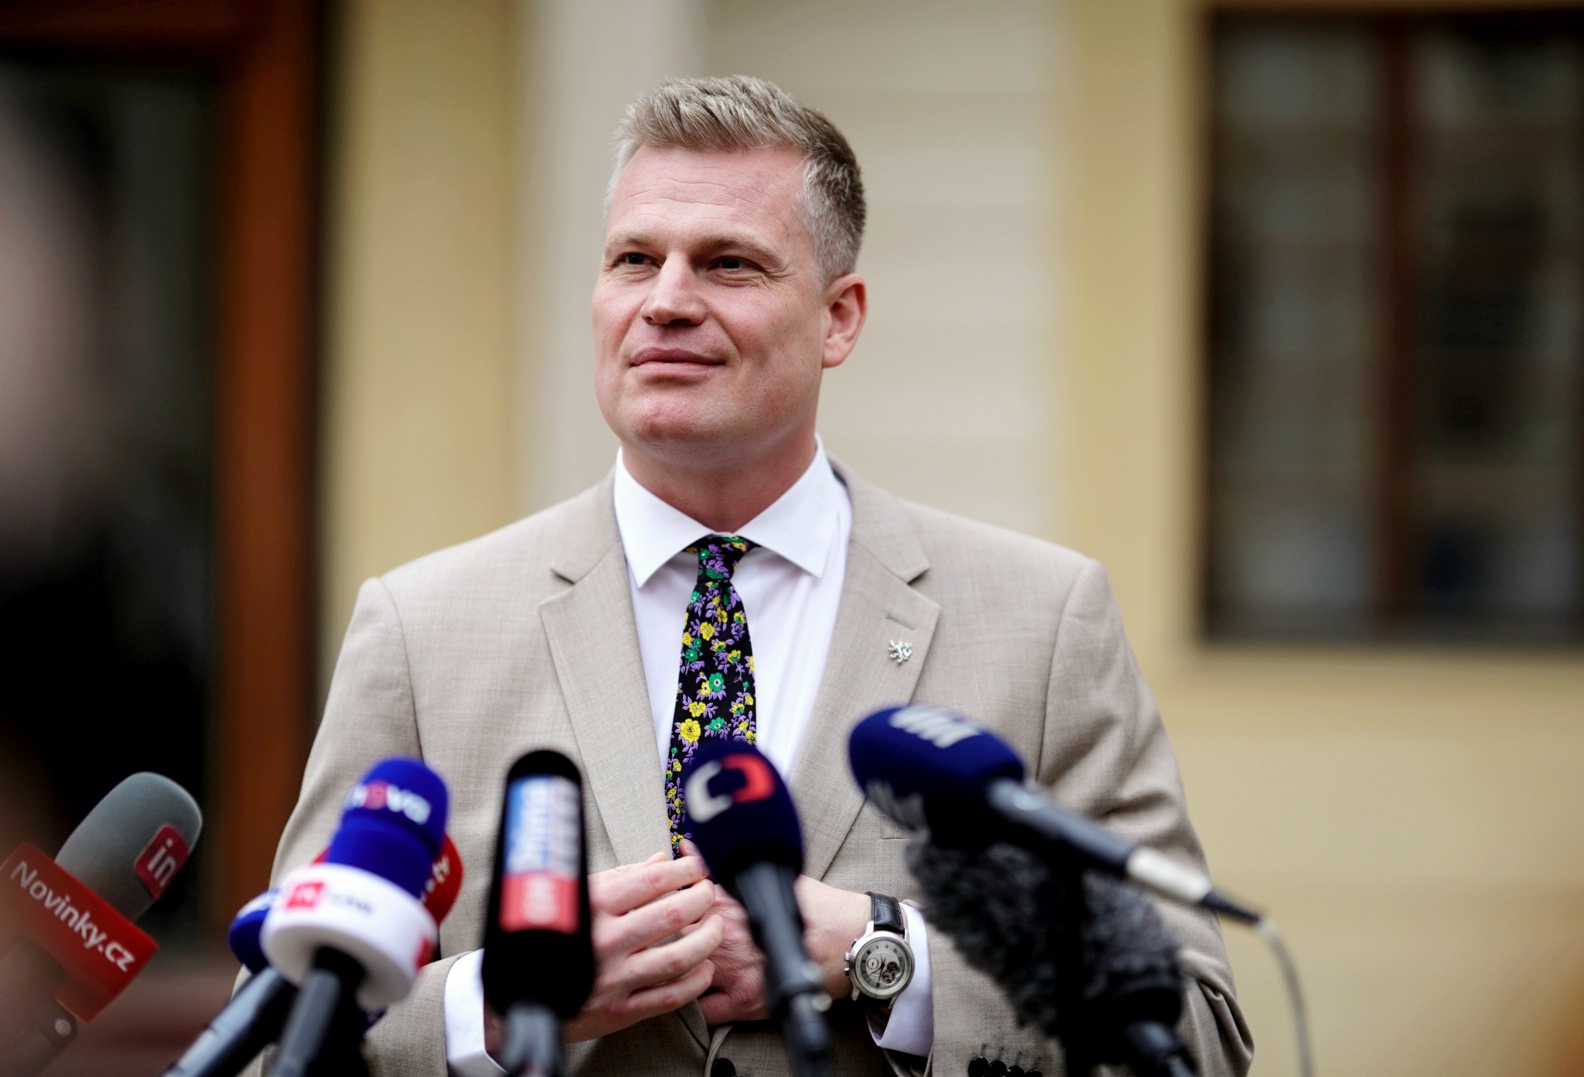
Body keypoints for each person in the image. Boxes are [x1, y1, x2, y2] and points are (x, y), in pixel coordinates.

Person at [258, 76, 1251, 1077]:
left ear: (838, 319)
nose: (665, 301)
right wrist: (506, 1002)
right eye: (633, 260)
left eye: (727, 264)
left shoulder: (1042, 625)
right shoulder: (420, 633)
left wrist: (887, 956)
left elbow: (1196, 1034)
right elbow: (276, 1043)